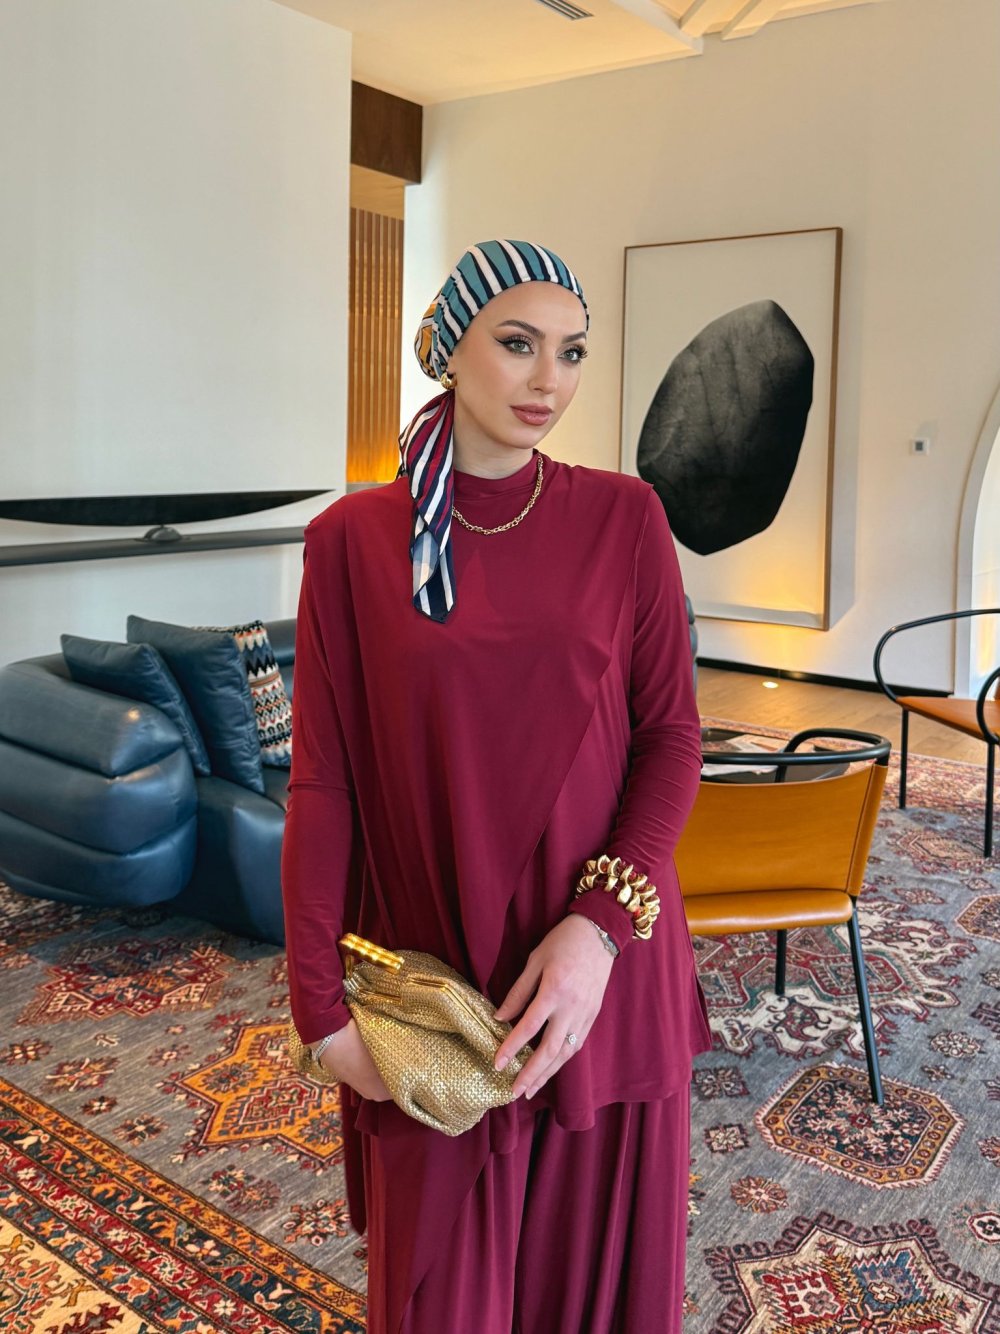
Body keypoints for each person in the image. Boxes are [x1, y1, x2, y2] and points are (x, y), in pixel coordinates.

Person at [281, 239, 712, 1334]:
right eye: (517, 344)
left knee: (596, 1295)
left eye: (571, 352)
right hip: (435, 982)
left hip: (599, 974)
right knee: (442, 1298)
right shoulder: (350, 541)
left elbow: (671, 738)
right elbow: (323, 783)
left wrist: (598, 931)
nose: (547, 380)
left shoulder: (625, 518)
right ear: (446, 347)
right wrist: (319, 1009)